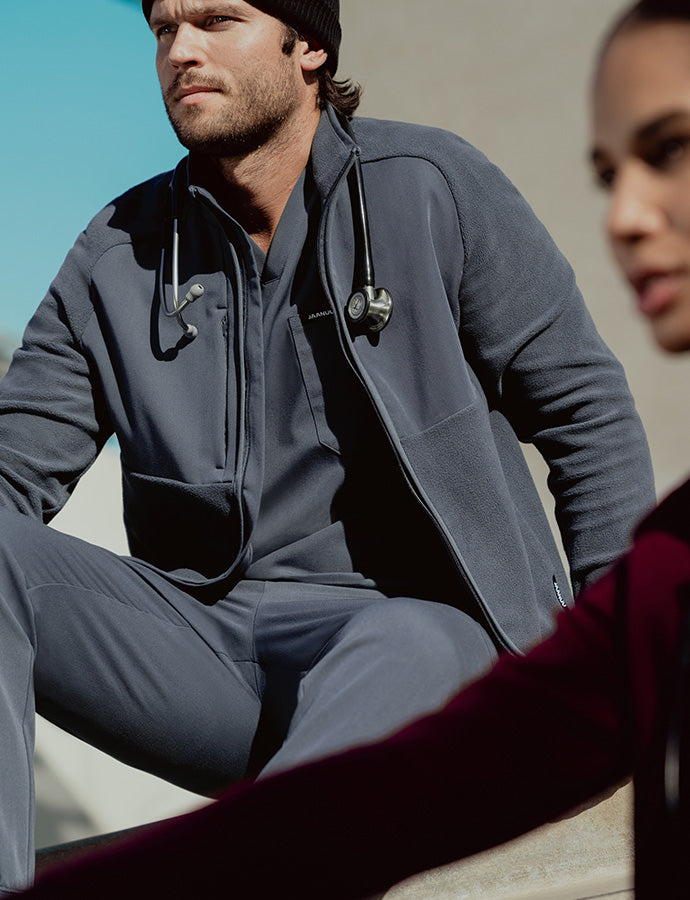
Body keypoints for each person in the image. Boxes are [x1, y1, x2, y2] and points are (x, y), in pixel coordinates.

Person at [0, 0, 653, 894]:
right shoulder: (118, 253)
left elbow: (585, 410)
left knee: (408, 636)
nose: (180, 51)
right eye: (163, 30)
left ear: (307, 45)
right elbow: (11, 474)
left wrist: (625, 676)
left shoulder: (429, 184)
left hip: (430, 647)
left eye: (217, 19)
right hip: (214, 661)